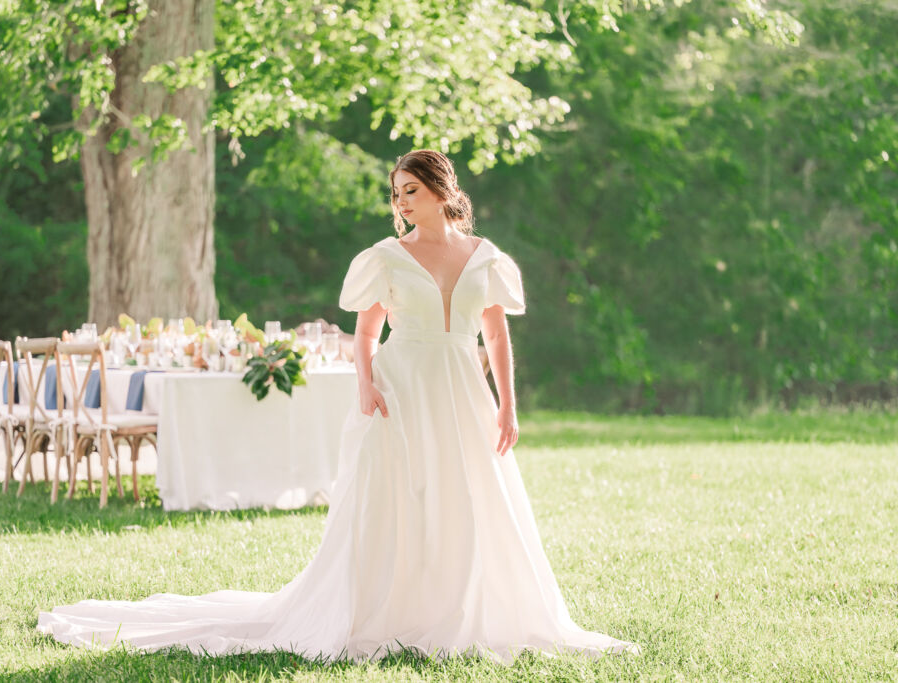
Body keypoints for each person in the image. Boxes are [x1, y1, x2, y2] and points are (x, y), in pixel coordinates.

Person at [37, 149, 640, 662]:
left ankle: (468, 603)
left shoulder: (486, 256)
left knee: (473, 490)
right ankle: (387, 606)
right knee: (398, 493)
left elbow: (498, 336)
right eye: (396, 193)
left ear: (439, 190)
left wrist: (509, 406)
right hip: (401, 385)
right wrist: (366, 384)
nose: (401, 202)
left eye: (410, 191)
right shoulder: (386, 257)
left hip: (462, 387)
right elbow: (365, 331)